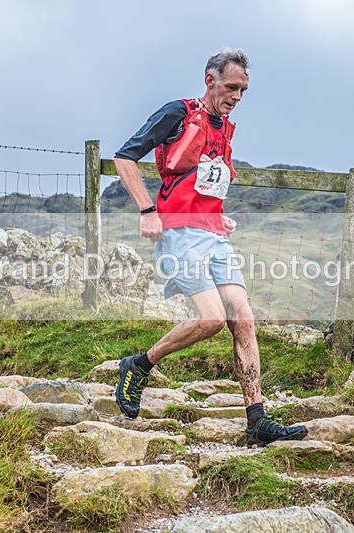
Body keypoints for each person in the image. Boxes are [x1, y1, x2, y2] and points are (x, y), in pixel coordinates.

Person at [112, 48, 307, 447]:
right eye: (232, 87)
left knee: (243, 319)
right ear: (210, 81)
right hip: (179, 234)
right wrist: (148, 210)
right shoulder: (178, 113)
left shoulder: (223, 129)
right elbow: (124, 157)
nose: (237, 96)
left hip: (214, 235)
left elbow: (204, 185)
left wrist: (220, 216)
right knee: (213, 319)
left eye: (244, 90)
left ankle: (257, 419)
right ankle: (139, 364)